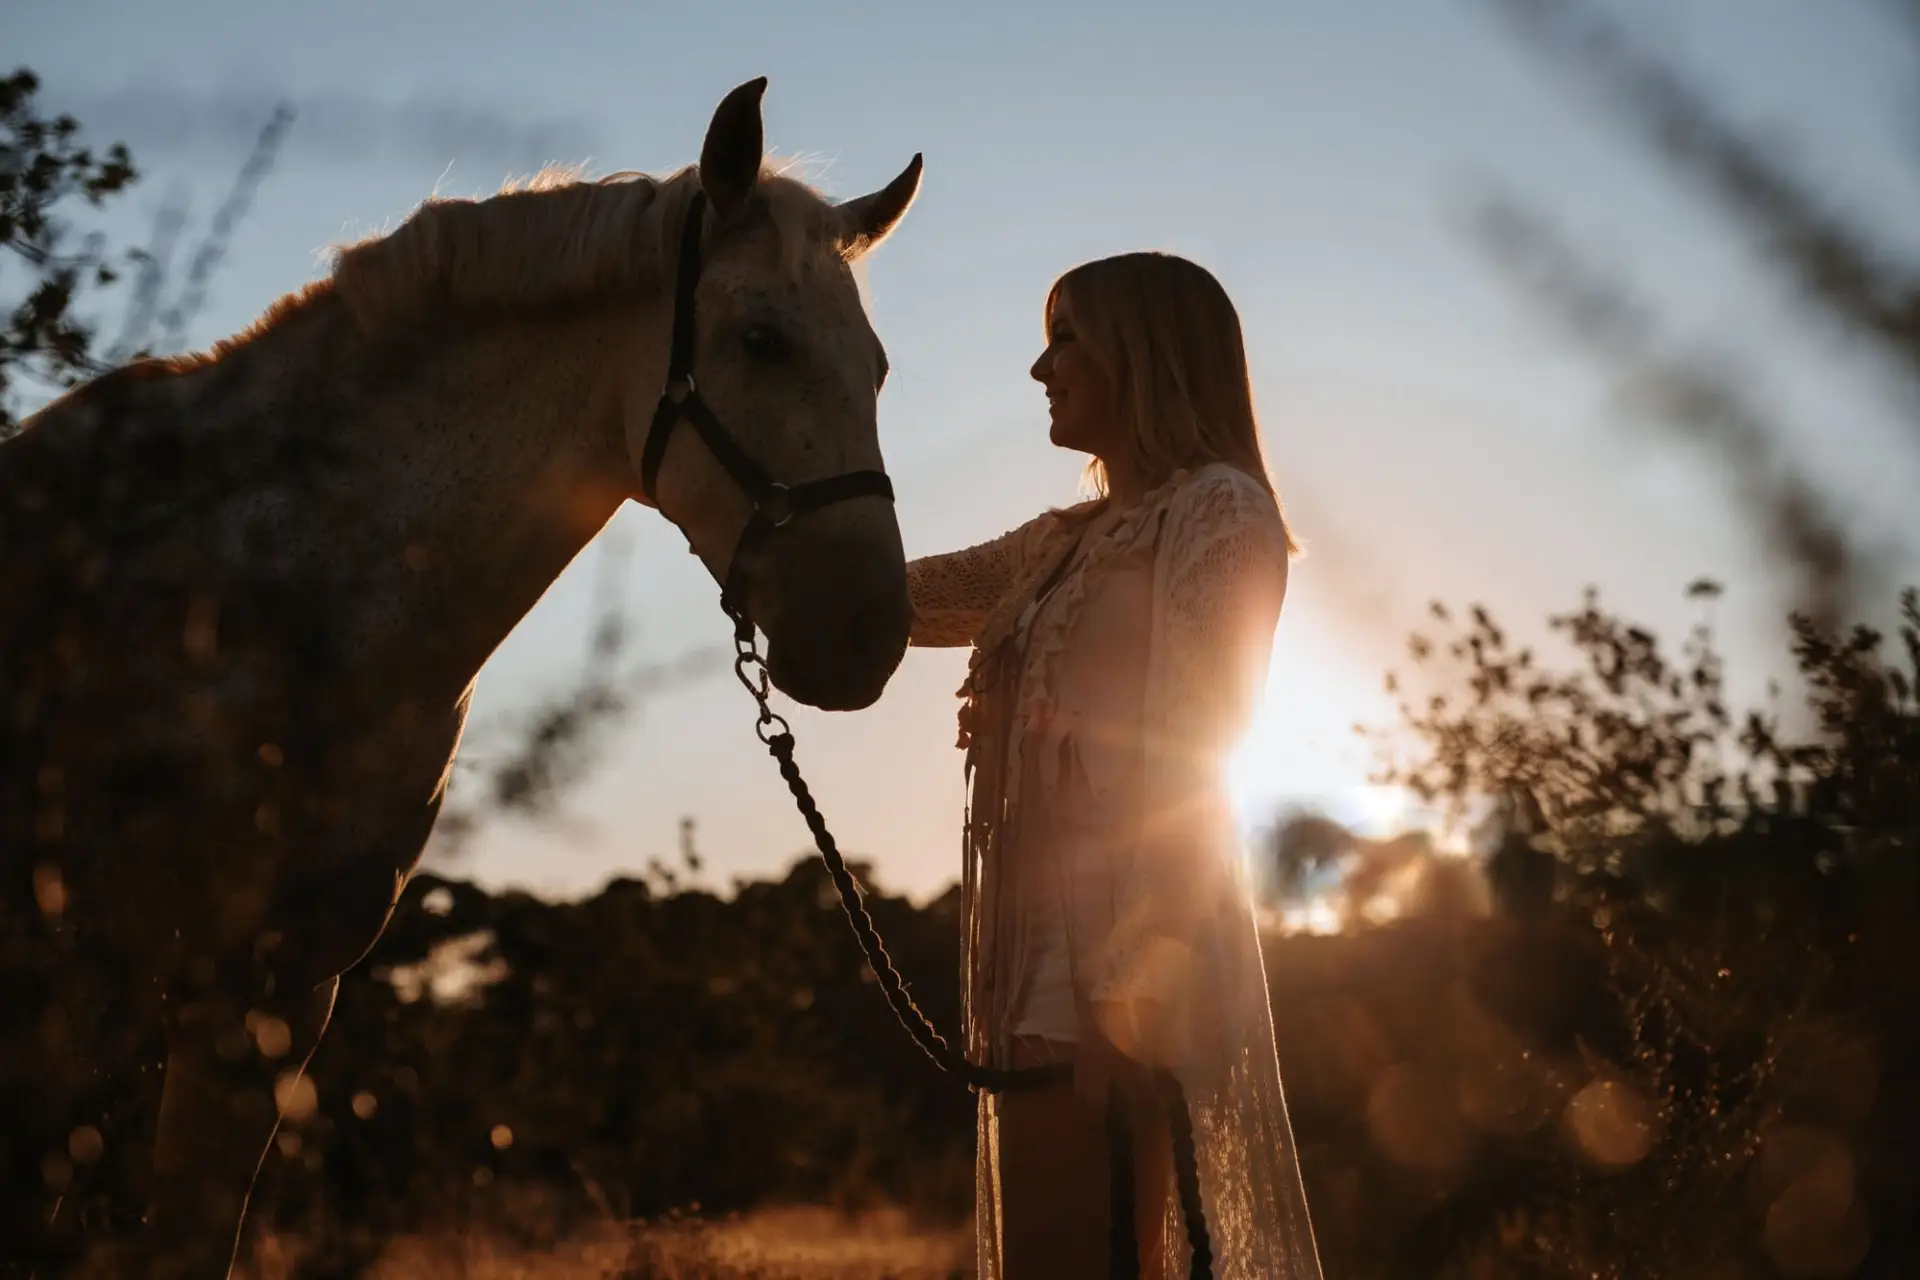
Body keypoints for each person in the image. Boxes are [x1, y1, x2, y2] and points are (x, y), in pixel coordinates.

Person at [905, 252, 1324, 1280]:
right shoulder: (1064, 539)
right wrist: (758, 535)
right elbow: (902, 597)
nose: (1041, 368)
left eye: (1067, 337)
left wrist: (1132, 1002)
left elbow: (1194, 760)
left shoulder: (1218, 513)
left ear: (1144, 351)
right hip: (1033, 945)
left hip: (1117, 956)